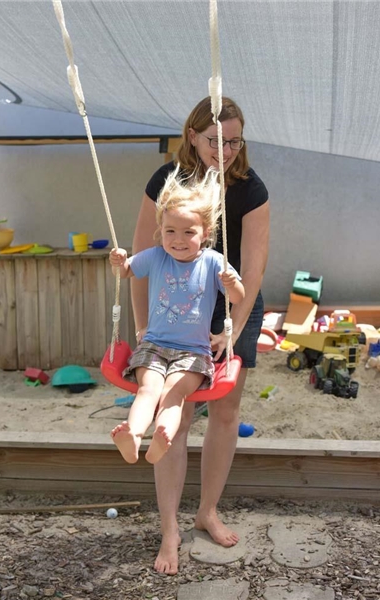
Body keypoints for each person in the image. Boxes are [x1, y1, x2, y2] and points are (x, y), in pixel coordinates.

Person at [131, 97, 269, 574]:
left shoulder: (250, 189)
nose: (225, 149)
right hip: (175, 310)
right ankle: (170, 529)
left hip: (232, 309)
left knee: (225, 412)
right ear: (193, 135)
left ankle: (207, 510)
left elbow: (252, 269)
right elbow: (140, 263)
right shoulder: (165, 182)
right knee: (178, 414)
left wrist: (229, 330)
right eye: (216, 140)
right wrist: (141, 325)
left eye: (234, 141)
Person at [109, 166, 245, 466]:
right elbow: (126, 272)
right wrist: (118, 261)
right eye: (170, 231)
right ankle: (132, 435)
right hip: (154, 345)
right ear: (161, 230)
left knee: (173, 393)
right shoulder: (156, 256)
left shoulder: (212, 261)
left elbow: (238, 298)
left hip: (193, 353)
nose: (178, 239)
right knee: (149, 388)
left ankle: (161, 436)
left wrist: (232, 283)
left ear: (205, 233)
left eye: (188, 232)